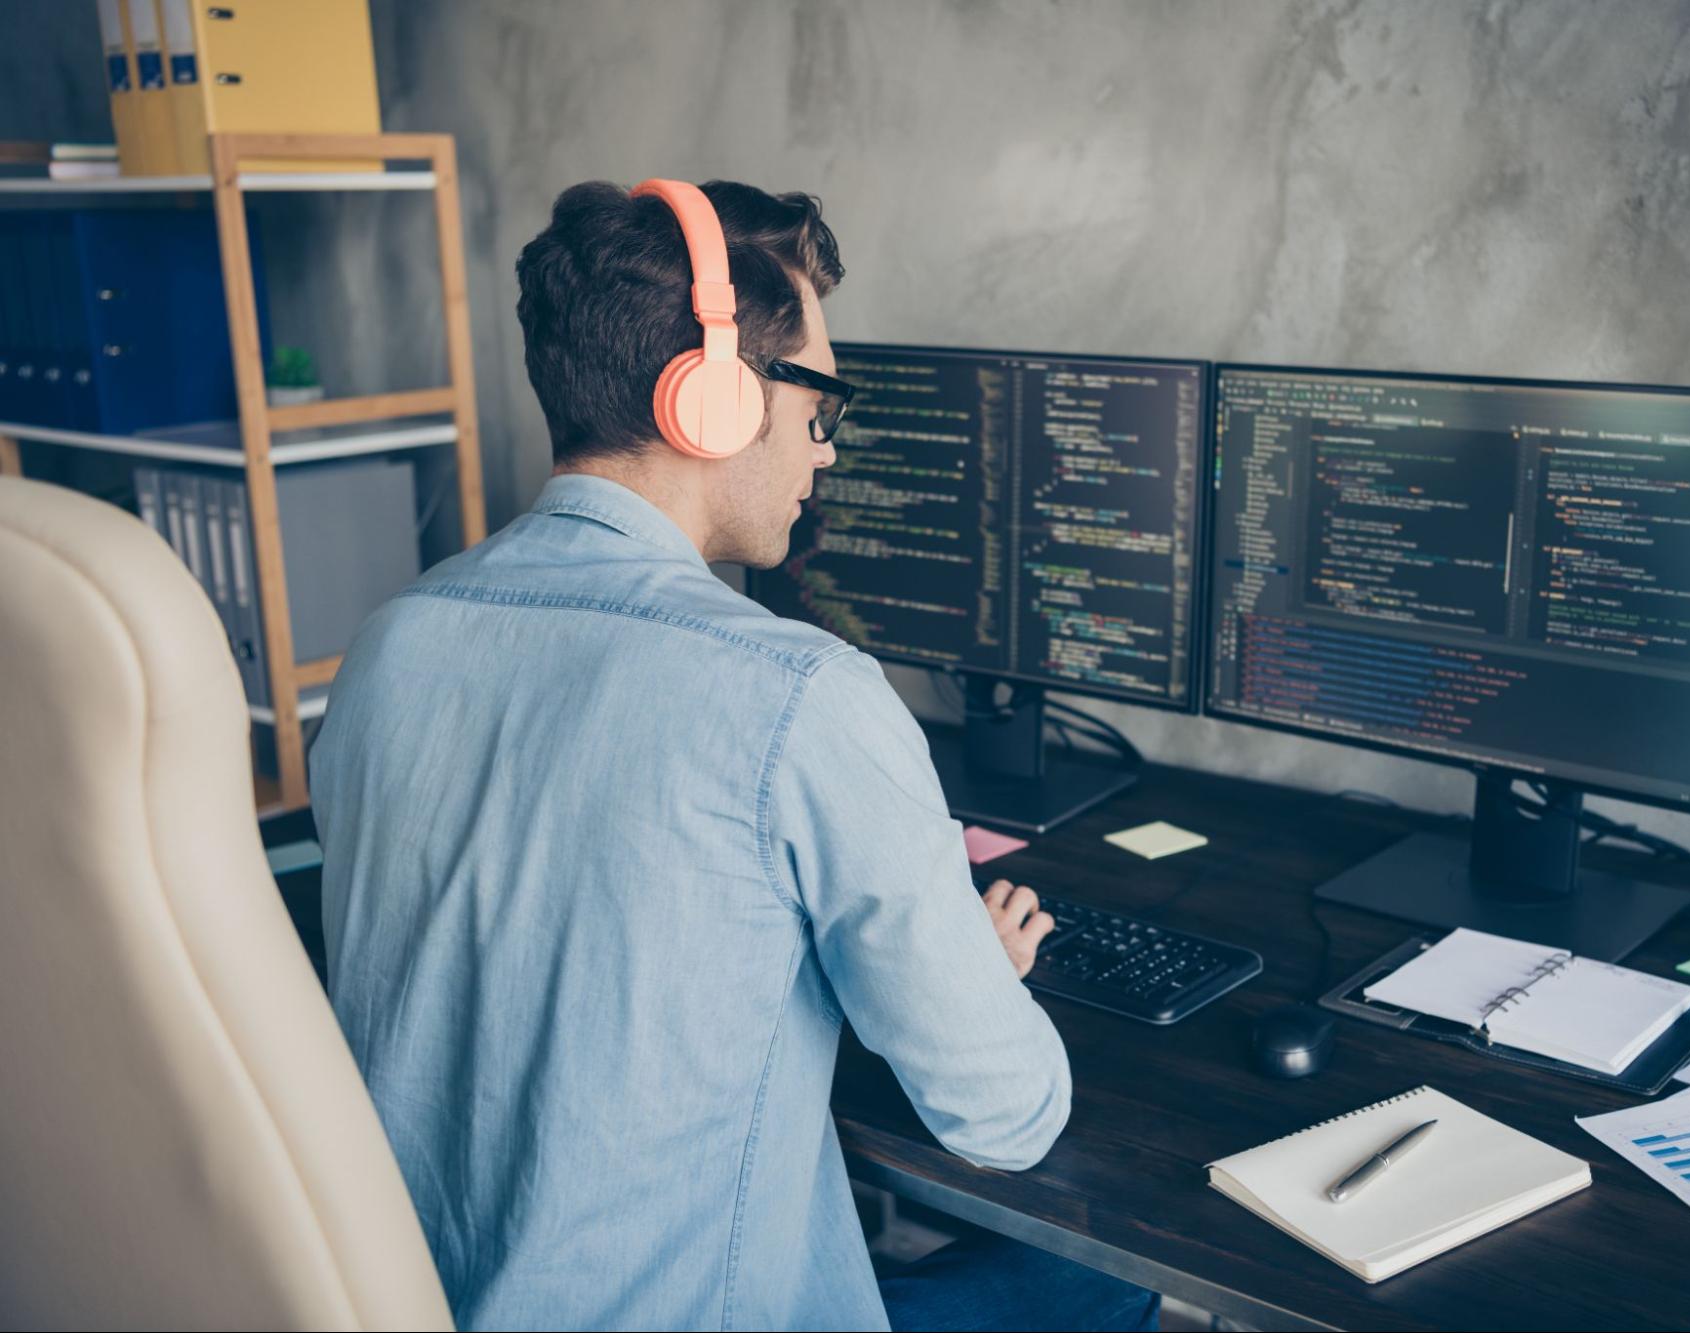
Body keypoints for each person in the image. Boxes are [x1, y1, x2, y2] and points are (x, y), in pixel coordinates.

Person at [309, 178, 1159, 1332]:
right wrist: (962, 972)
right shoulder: (801, 698)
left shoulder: (389, 646)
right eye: (820, 403)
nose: (824, 449)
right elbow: (1001, 1115)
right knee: (1102, 1273)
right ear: (707, 400)